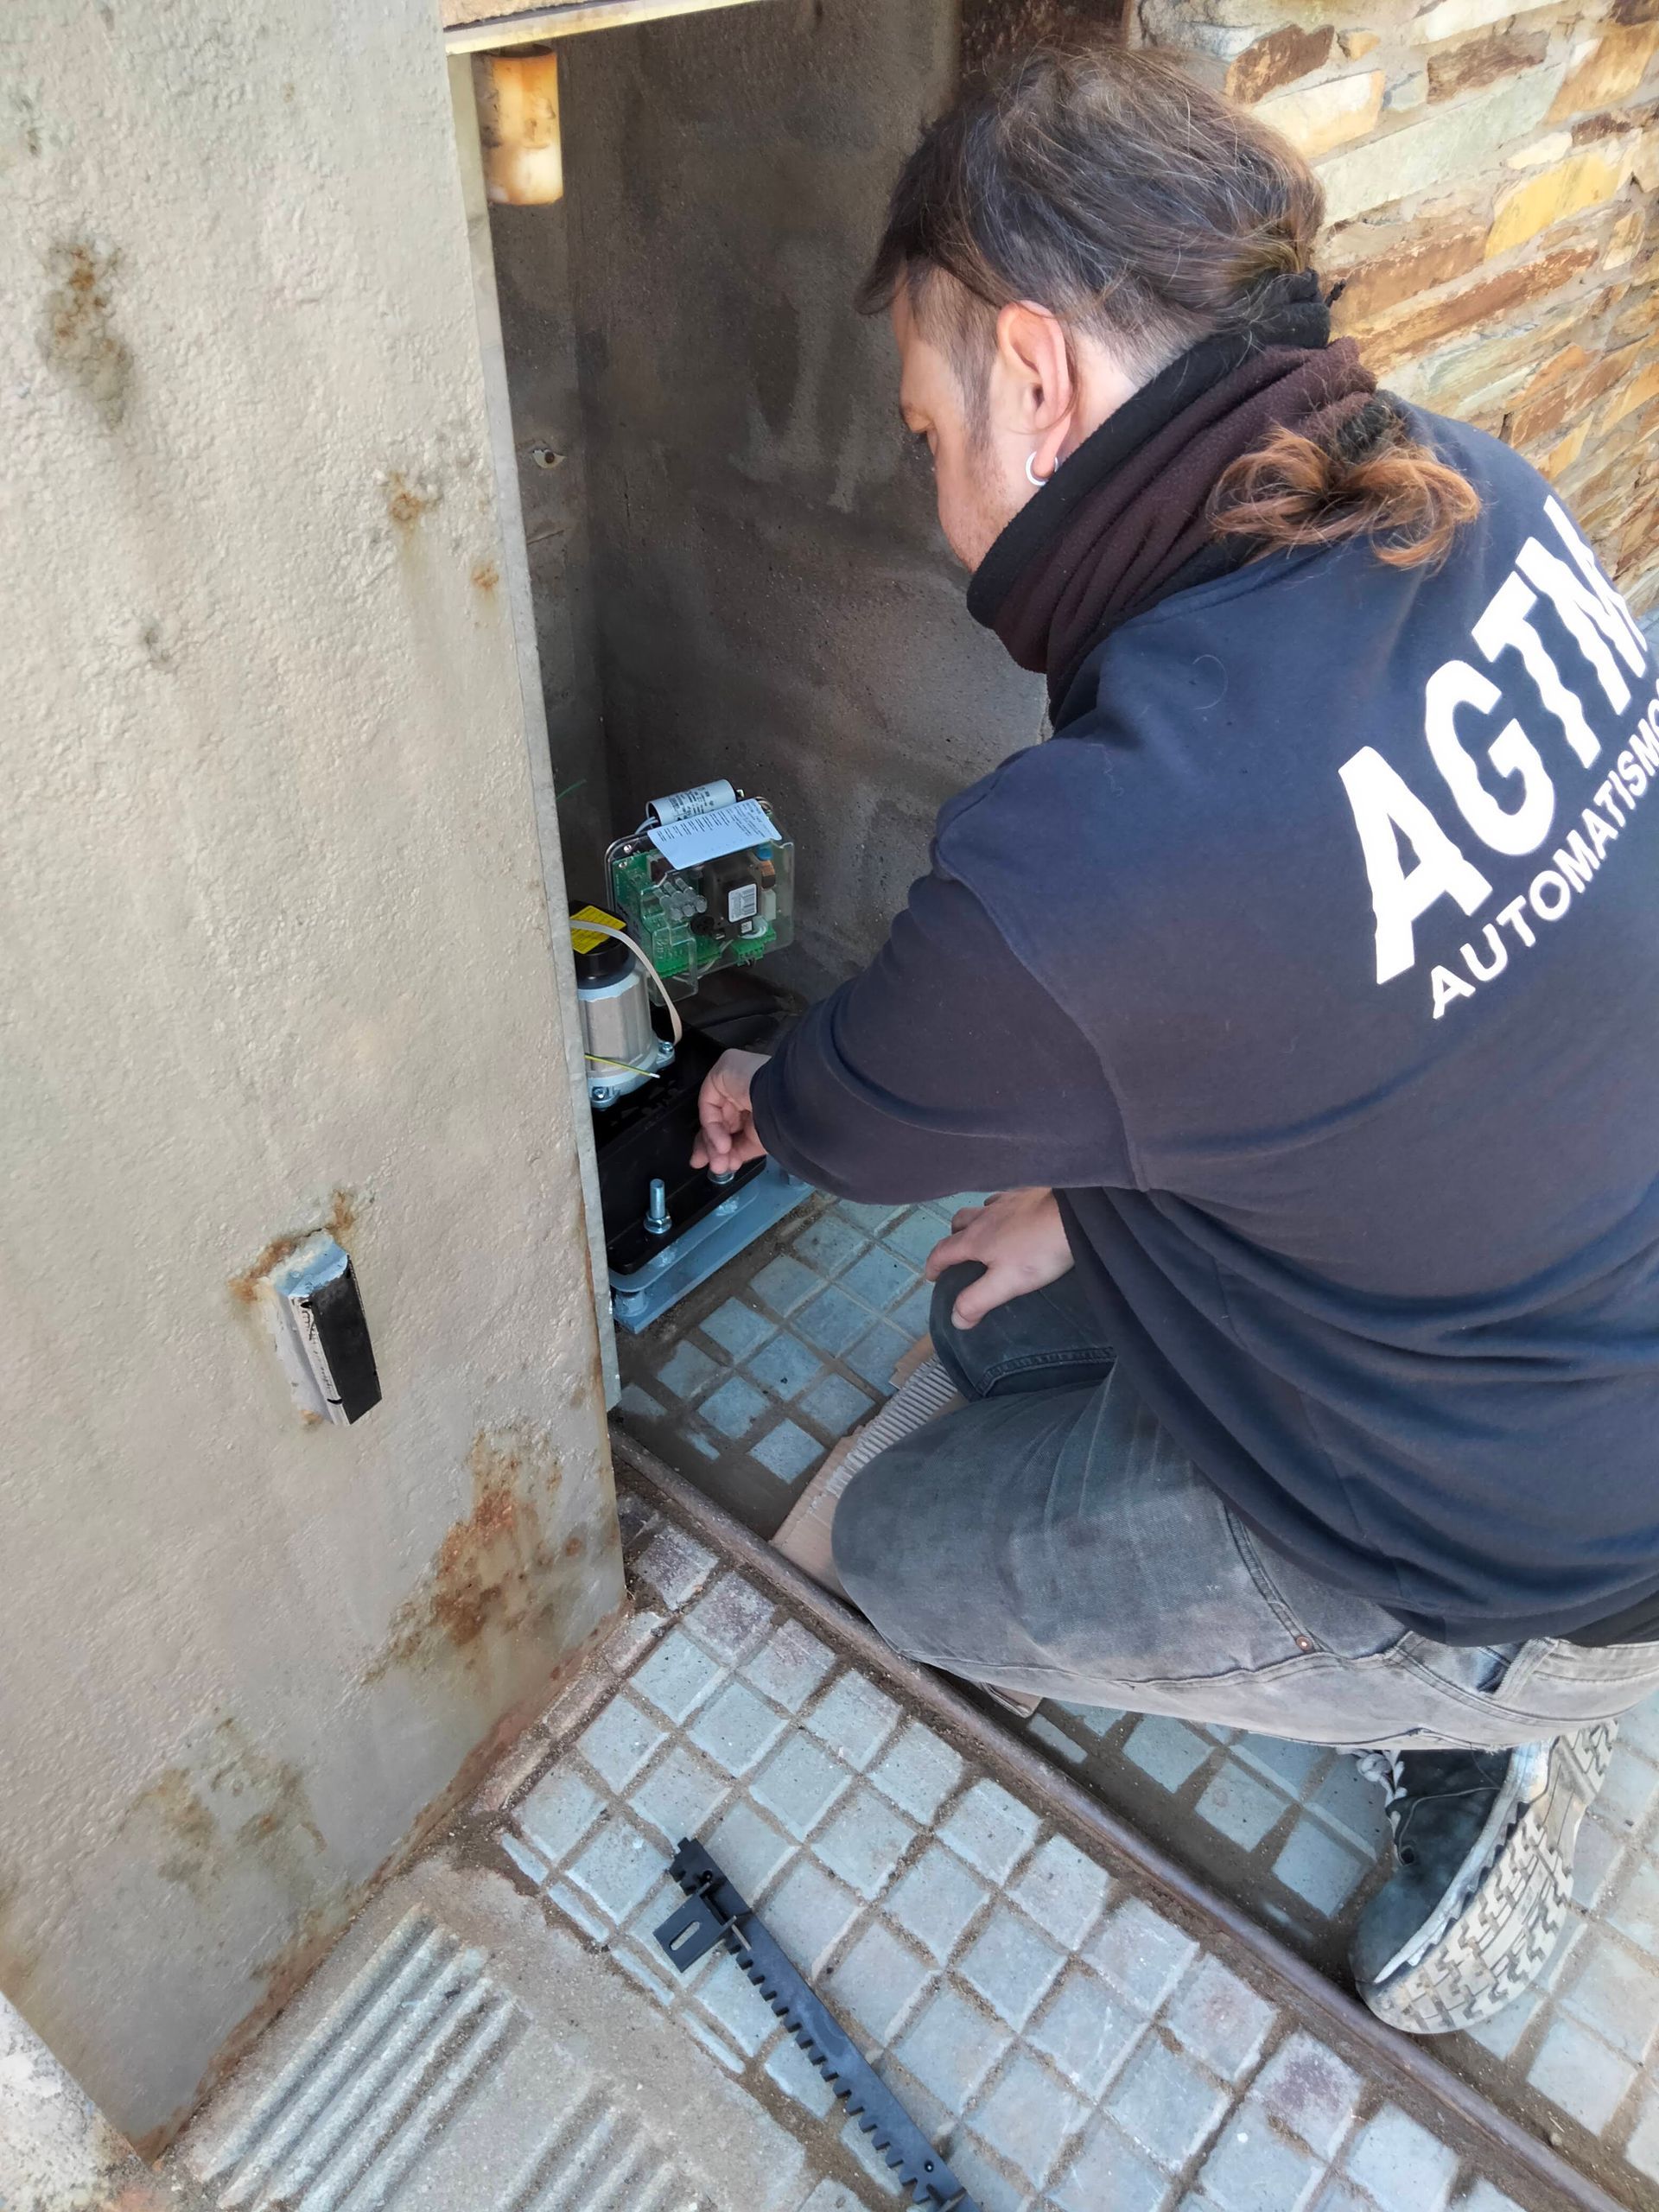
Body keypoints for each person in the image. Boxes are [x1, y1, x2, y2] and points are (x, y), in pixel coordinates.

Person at [692, 42, 1659, 2036]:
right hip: (1552, 1311)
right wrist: (1079, 1192)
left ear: (1036, 379)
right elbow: (1353, 992)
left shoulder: (1105, 853)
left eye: (927, 431)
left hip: (1532, 1551)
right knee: (988, 1331)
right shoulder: (1474, 493)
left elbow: (843, 1120)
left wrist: (748, 1089)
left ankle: (1467, 1729)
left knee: (899, 1546)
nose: (934, 497)